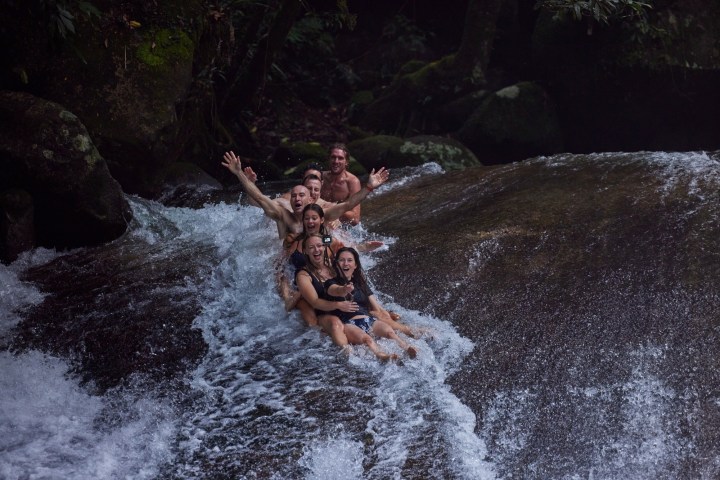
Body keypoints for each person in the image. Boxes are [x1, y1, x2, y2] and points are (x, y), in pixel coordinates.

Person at [221, 150, 389, 240]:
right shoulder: (284, 212)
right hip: (291, 257)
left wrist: (368, 188)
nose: (297, 199)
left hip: (316, 252)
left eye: (303, 195)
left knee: (332, 241)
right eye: (296, 196)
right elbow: (259, 199)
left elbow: (348, 205)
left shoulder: (324, 213)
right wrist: (239, 174)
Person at [296, 234, 398, 361]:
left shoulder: (334, 263)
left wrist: (364, 246)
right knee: (335, 323)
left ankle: (409, 334)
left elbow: (351, 264)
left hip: (346, 308)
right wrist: (338, 305)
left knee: (377, 314)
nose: (316, 250)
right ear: (305, 251)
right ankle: (347, 353)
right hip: (326, 312)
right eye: (311, 247)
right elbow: (315, 302)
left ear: (324, 247)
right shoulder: (303, 275)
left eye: (319, 245)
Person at [326, 247, 418, 358]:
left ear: (355, 265)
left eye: (350, 260)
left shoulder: (360, 283)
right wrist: (345, 289)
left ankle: (407, 347)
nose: (346, 263)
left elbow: (375, 306)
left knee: (390, 333)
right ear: (336, 264)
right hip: (348, 323)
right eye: (342, 260)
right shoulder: (330, 283)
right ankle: (382, 355)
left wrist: (386, 314)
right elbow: (335, 290)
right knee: (368, 340)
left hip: (368, 319)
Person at [321, 144, 363, 225]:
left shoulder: (353, 182)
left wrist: (332, 208)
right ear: (328, 159)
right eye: (333, 157)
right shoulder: (320, 177)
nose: (336, 161)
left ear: (346, 162)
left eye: (340, 158)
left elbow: (355, 219)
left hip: (342, 227)